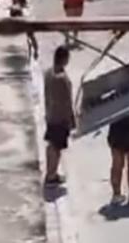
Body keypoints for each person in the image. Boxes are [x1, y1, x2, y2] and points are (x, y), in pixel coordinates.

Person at [43, 45, 75, 187]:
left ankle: (51, 173)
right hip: (60, 117)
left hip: (50, 114)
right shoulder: (62, 79)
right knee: (56, 147)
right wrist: (72, 119)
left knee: (52, 145)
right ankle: (51, 175)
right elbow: (67, 101)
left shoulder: (48, 73)